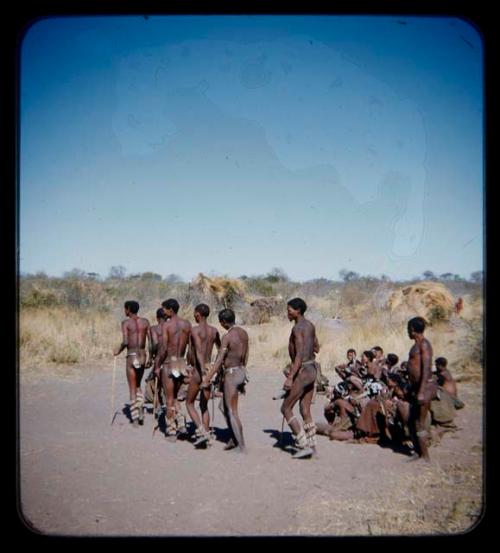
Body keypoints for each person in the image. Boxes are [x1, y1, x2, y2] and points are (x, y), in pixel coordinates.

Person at [202, 308, 249, 453]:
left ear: (223, 322)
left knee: (232, 411)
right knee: (223, 407)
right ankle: (233, 438)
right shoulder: (243, 333)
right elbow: (246, 354)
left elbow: (218, 361)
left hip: (232, 374)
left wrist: (207, 378)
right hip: (241, 371)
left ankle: (241, 446)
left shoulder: (227, 337)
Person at [279, 298, 320, 459]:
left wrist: (290, 377)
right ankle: (313, 446)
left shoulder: (297, 329)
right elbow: (316, 347)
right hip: (312, 369)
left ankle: (303, 444)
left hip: (302, 371)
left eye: (289, 310)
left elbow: (299, 356)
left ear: (298, 311)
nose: (287, 313)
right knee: (305, 410)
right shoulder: (310, 325)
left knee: (285, 408)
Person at [154, 299, 192, 441]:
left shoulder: (166, 326)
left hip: (169, 363)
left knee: (169, 398)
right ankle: (181, 423)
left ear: (170, 310)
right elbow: (191, 348)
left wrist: (157, 365)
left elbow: (163, 348)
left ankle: (171, 430)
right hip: (180, 362)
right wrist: (188, 364)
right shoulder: (187, 324)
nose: (163, 312)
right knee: (176, 396)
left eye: (164, 309)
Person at [186, 303, 221, 447]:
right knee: (204, 405)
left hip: (199, 371)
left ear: (198, 314)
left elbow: (197, 352)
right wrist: (214, 368)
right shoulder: (214, 331)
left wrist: (201, 371)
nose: (194, 316)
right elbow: (221, 348)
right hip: (209, 368)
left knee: (189, 403)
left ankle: (201, 430)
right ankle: (206, 431)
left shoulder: (194, 331)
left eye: (194, 313)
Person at [113, 300, 152, 427]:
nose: (124, 311)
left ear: (128, 309)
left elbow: (125, 341)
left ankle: (135, 418)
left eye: (125, 309)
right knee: (138, 386)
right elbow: (152, 342)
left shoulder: (126, 323)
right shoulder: (145, 322)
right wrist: (151, 357)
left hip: (132, 355)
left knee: (132, 388)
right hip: (142, 356)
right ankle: (141, 412)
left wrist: (117, 351)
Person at [406, 317, 438, 461]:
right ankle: (419, 451)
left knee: (420, 422)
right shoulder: (417, 345)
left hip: (424, 388)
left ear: (412, 329)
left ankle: (425, 456)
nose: (407, 331)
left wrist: (421, 391)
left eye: (408, 329)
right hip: (417, 387)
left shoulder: (424, 345)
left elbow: (426, 368)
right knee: (412, 420)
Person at [144, 308, 167, 407]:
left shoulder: (154, 329)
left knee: (154, 383)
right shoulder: (170, 327)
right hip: (169, 358)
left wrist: (150, 357)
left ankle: (157, 405)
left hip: (158, 358)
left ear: (157, 318)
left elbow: (153, 344)